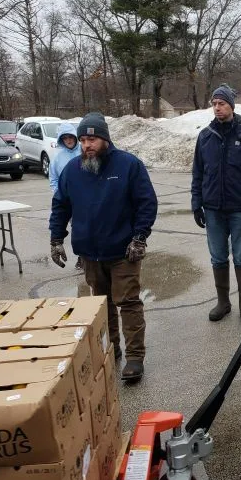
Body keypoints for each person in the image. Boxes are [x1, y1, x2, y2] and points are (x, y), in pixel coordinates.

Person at [49, 112, 157, 382]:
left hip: (124, 251)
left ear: (105, 139)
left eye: (92, 139)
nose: (87, 145)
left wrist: (140, 237)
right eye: (83, 139)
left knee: (128, 302)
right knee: (102, 303)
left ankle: (134, 358)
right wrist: (56, 238)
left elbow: (147, 202)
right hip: (90, 253)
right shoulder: (73, 171)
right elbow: (60, 205)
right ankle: (112, 348)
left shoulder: (128, 165)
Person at [191, 85, 241, 324]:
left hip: (239, 208)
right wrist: (196, 204)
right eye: (214, 104)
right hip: (213, 208)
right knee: (218, 257)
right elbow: (198, 173)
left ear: (231, 106)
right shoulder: (205, 136)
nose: (217, 108)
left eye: (221, 103)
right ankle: (223, 301)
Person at [49, 122, 84, 270]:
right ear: (61, 140)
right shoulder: (57, 159)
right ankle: (81, 256)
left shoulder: (84, 152)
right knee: (76, 228)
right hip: (69, 201)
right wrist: (60, 195)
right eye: (65, 138)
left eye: (71, 137)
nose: (69, 141)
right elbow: (54, 179)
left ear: (75, 137)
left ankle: (87, 255)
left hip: (87, 197)